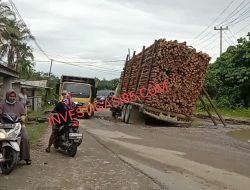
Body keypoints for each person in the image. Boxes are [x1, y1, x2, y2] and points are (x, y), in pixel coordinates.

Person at [0, 90, 31, 165]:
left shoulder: (19, 104)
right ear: (7, 96)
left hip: (18, 125)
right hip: (4, 125)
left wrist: (23, 119)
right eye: (10, 96)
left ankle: (26, 157)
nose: (12, 98)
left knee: (25, 138)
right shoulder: (2, 103)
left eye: (14, 96)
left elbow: (23, 114)